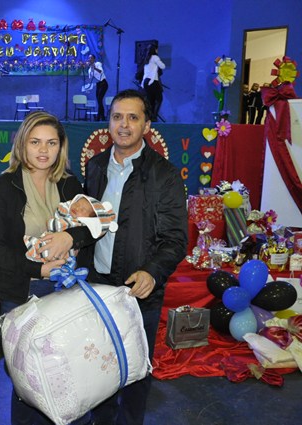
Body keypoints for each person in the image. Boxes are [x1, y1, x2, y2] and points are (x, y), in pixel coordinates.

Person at [83, 89, 188, 425]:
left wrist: (151, 272)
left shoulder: (165, 175)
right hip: (97, 287)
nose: (124, 125)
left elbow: (175, 239)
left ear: (147, 125)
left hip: (138, 292)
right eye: (117, 117)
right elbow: (85, 224)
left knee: (135, 372)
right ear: (108, 122)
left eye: (133, 117)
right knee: (98, 367)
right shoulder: (95, 166)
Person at [0, 111, 92, 424]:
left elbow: (94, 227)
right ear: (22, 145)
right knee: (27, 380)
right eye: (35, 142)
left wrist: (70, 237)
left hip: (67, 292)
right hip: (21, 294)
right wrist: (38, 270)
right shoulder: (3, 188)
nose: (43, 150)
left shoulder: (70, 184)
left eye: (51, 143)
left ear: (61, 147)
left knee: (68, 374)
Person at [24, 194, 118, 263]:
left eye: (83, 209)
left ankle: (31, 250)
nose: (77, 208)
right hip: (54, 248)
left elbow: (54, 224)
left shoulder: (78, 224)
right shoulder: (69, 216)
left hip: (61, 251)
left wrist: (53, 222)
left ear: (88, 218)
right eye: (76, 204)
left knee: (36, 245)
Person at [140, 44, 165, 122]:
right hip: (153, 81)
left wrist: (142, 84)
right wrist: (158, 62)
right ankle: (154, 116)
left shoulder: (146, 58)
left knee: (150, 100)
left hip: (146, 81)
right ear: (155, 50)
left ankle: (150, 117)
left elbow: (145, 72)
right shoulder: (155, 57)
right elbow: (163, 66)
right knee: (159, 99)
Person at [88, 54, 109, 121]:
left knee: (99, 99)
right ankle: (102, 117)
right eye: (89, 58)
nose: (90, 59)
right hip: (98, 84)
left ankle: (98, 118)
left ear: (94, 59)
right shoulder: (89, 70)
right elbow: (91, 78)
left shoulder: (98, 64)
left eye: (91, 58)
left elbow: (101, 71)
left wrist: (94, 68)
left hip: (103, 83)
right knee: (99, 101)